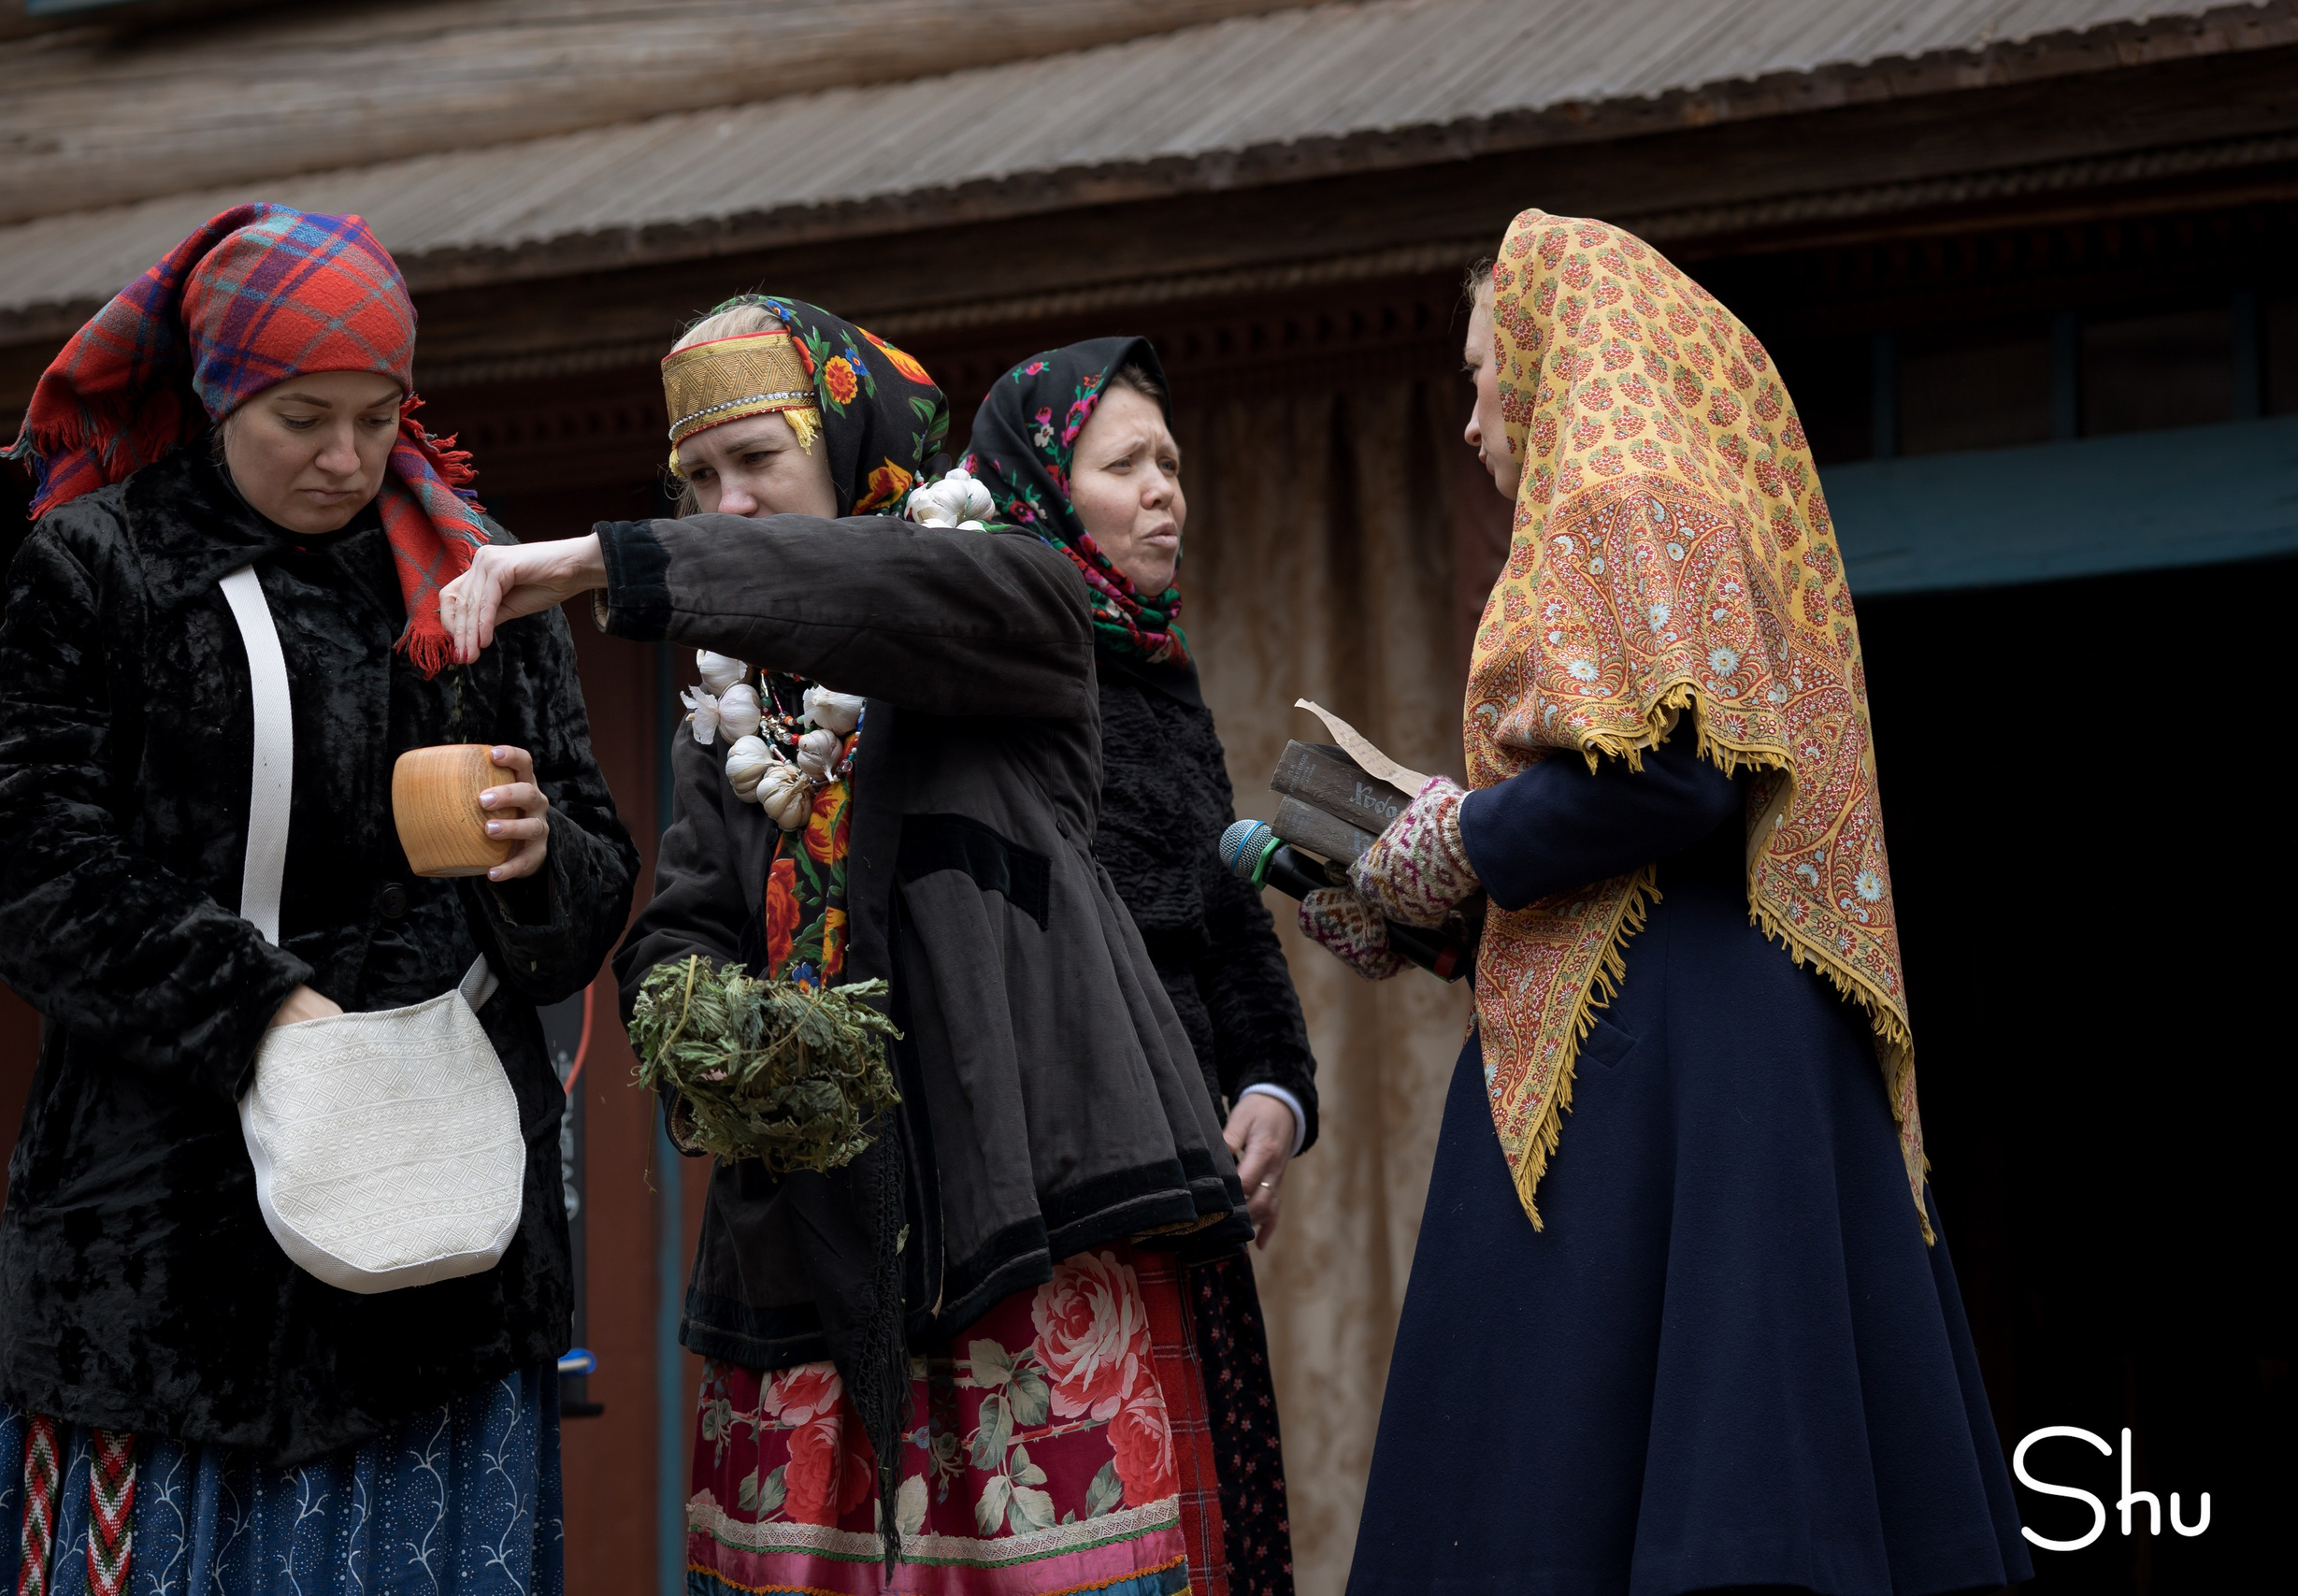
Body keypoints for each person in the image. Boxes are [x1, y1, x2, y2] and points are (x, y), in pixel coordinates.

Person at [438, 296, 1254, 1594]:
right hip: (806, 1234)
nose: (728, 501)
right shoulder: (735, 708)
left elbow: (873, 589)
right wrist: (712, 1023)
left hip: (1017, 1210)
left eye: (757, 458)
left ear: (851, 443)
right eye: (697, 478)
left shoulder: (1009, 588)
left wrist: (607, 561)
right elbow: (684, 919)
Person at [1305, 210, 2030, 1595]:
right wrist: (1430, 907)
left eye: (1484, 375)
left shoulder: (1618, 488)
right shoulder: (1692, 491)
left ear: (1552, 356)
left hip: (1669, 1066)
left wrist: (1464, 840)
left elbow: (1673, 775)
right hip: (1736, 1038)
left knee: (1590, 1497)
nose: (1473, 419)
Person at [0, 204, 638, 1595]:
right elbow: (30, 860)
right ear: (221, 398)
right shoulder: (103, 565)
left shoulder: (476, 578)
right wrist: (264, 1006)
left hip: (439, 1238)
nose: (347, 457)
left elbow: (590, 894)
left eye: (378, 418)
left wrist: (539, 855)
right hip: (162, 1235)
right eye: (303, 420)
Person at [966, 338, 1312, 1596]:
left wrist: (1272, 1091)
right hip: (1064, 1203)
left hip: (1190, 1189)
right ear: (1041, 491)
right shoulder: (979, 682)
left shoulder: (1163, 674)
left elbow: (1228, 913)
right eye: (1124, 466)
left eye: (1170, 462)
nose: (1165, 489)